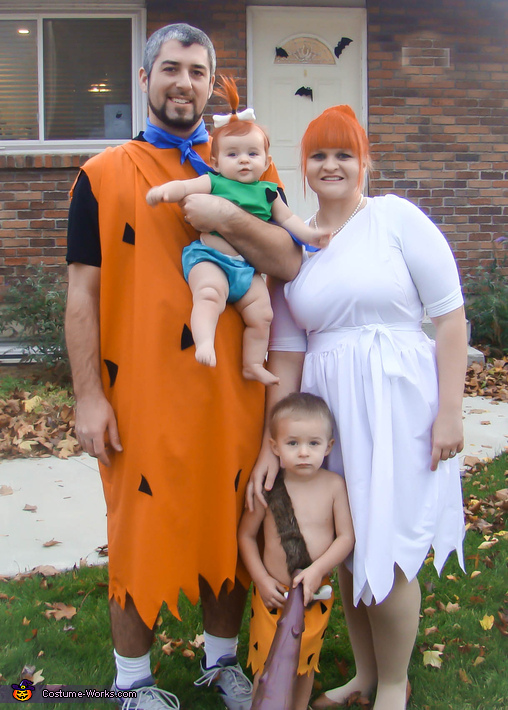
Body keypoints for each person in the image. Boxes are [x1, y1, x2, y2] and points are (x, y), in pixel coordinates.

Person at [65, 23, 301, 710]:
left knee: (231, 524)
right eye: (170, 68)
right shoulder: (102, 175)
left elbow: (288, 261)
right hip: (139, 392)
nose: (184, 83)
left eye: (198, 71)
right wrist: (88, 396)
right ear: (144, 80)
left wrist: (227, 213)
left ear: (212, 82)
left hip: (234, 389)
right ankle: (131, 681)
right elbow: (82, 291)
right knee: (138, 532)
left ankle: (221, 662)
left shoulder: (249, 161)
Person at [247, 105, 468, 710]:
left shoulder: (396, 219)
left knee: (386, 547)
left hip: (397, 407)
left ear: (364, 162)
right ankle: (365, 677)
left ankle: (394, 686)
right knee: (342, 545)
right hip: (329, 415)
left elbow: (450, 319)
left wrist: (451, 412)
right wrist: (275, 440)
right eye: (319, 154)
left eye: (344, 153)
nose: (331, 165)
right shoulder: (296, 247)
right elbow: (287, 356)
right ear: (304, 167)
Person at [146, 77, 329, 386]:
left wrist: (311, 236)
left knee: (263, 315)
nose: (243, 160)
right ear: (215, 162)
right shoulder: (215, 182)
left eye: (252, 154)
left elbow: (291, 222)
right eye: (233, 155)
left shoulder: (269, 192)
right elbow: (185, 187)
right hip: (210, 258)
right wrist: (164, 192)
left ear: (267, 161)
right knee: (208, 295)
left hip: (246, 270)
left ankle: (252, 363)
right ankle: (204, 341)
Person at [238, 392, 354, 710]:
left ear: (328, 446)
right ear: (275, 446)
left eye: (313, 444)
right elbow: (246, 537)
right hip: (271, 596)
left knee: (305, 659)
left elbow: (346, 538)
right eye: (292, 444)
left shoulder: (334, 487)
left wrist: (317, 571)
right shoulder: (268, 488)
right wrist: (260, 579)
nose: (303, 453)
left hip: (313, 596)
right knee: (267, 664)